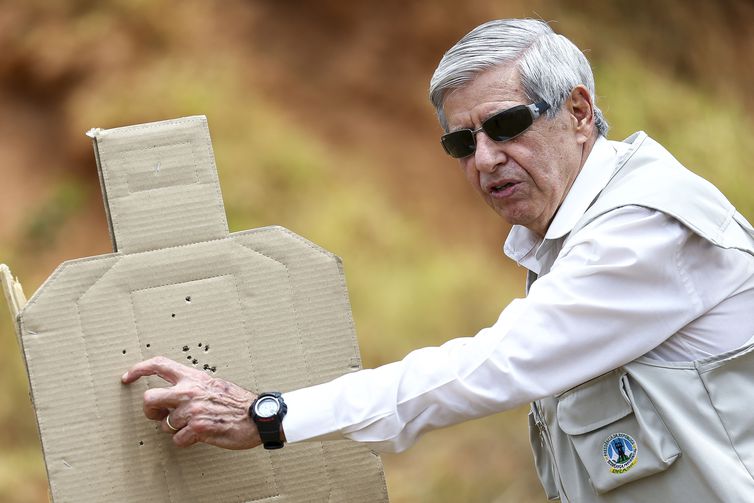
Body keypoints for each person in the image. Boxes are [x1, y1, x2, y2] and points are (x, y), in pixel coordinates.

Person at [122, 19, 754, 501]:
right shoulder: (580, 228)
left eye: (506, 125)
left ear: (580, 113)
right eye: (461, 141)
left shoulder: (643, 225)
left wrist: (270, 416)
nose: (483, 160)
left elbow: (492, 366)